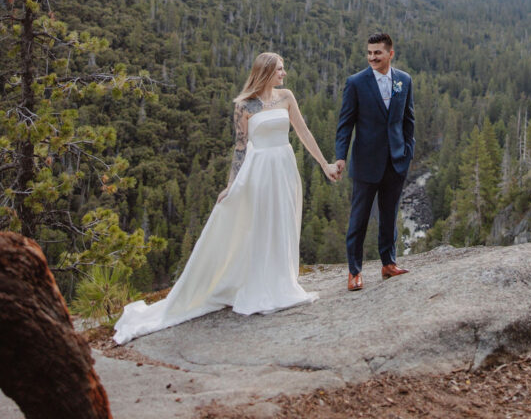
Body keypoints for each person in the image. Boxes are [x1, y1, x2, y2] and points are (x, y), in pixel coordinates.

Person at [113, 52, 338, 344]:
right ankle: (258, 285)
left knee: (283, 220)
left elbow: (304, 132)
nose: (284, 73)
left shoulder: (286, 97)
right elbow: (240, 148)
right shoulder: (244, 105)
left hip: (284, 167)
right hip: (259, 172)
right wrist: (231, 185)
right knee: (259, 226)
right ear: (266, 72)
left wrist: (325, 165)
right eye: (280, 69)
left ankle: (282, 282)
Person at [334, 32, 415, 291]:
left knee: (389, 215)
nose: (372, 57)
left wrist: (407, 151)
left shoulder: (404, 80)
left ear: (390, 53)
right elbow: (345, 124)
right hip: (366, 162)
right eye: (369, 53)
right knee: (359, 219)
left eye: (377, 53)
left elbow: (408, 121)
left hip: (396, 161)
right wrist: (340, 157)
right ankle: (354, 271)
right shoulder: (356, 83)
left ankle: (388, 263)